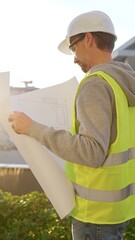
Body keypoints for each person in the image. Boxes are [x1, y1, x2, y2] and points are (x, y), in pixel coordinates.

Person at [8, 10, 135, 240]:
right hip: (118, 213)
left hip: (93, 217)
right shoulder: (123, 84)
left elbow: (91, 152)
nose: (74, 57)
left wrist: (32, 128)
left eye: (74, 48)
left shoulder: (95, 84)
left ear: (88, 38)